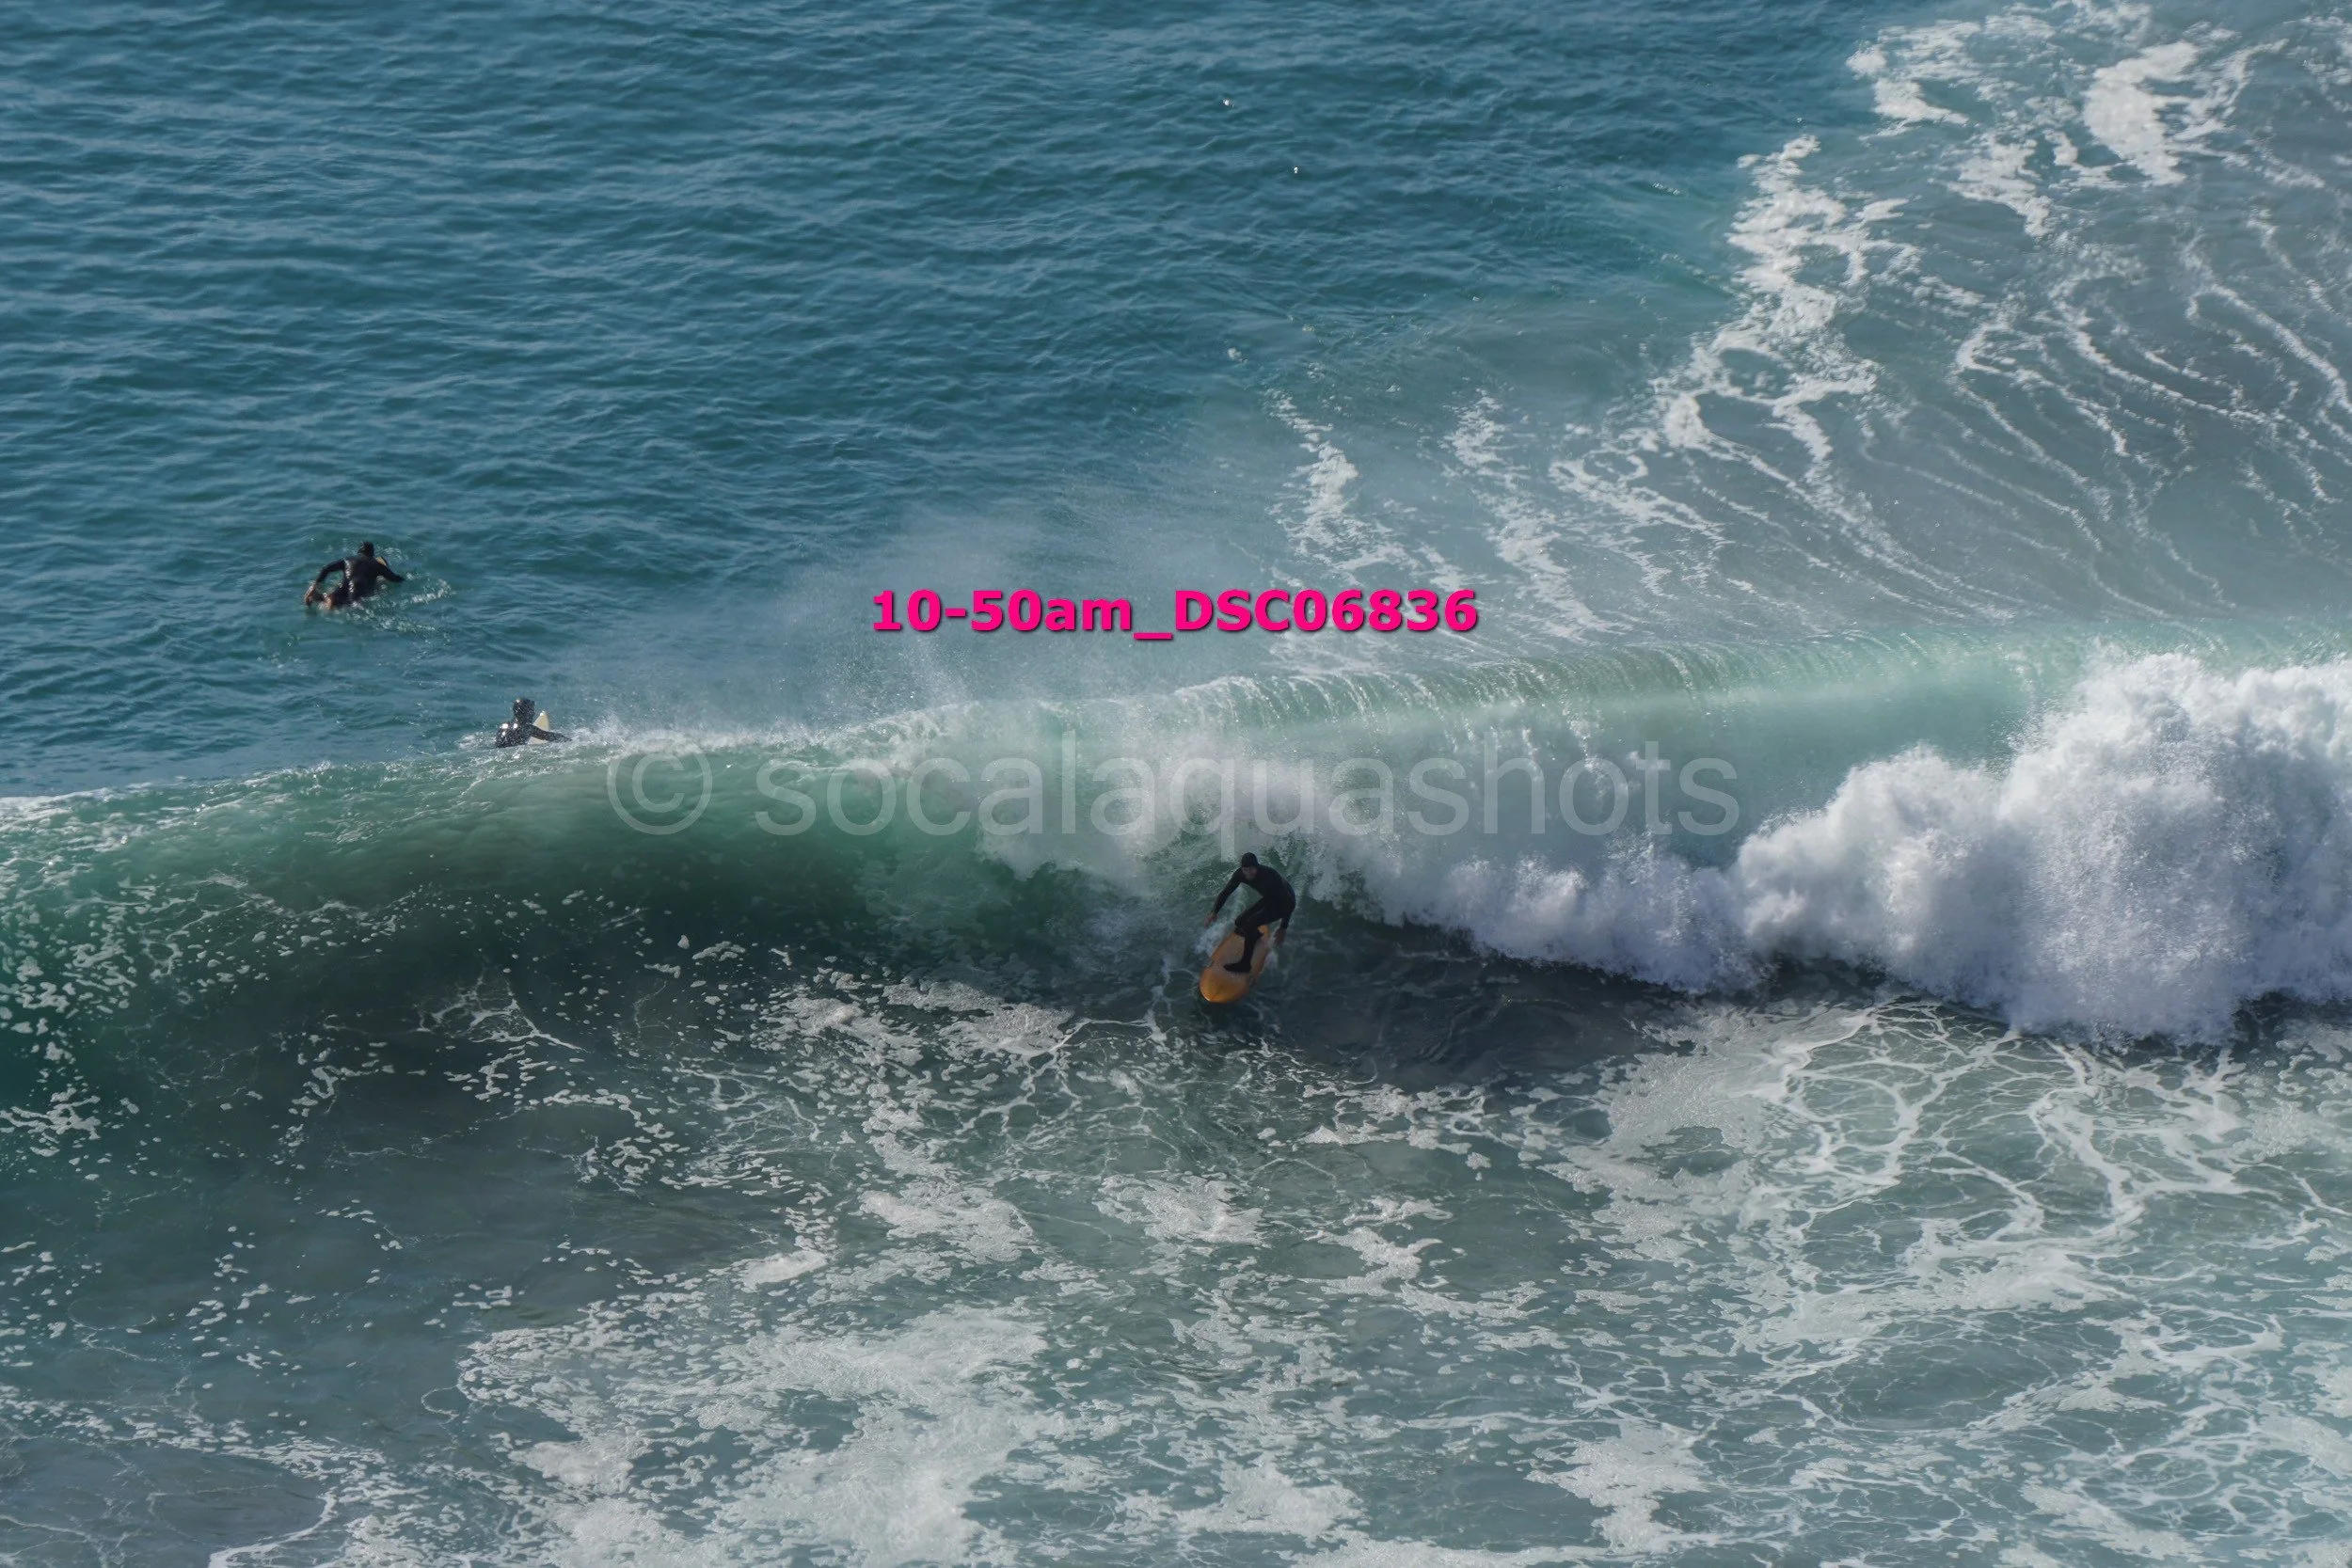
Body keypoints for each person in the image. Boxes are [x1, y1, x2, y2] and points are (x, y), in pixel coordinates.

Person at [1204, 852, 1295, 973]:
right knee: (1240, 922)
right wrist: (1214, 911)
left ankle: (1245, 965)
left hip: (1284, 903)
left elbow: (1288, 901)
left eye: (1251, 870)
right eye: (1245, 870)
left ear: (1257, 867)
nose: (1248, 873)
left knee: (1249, 925)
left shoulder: (1270, 875)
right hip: (1269, 898)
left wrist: (1283, 927)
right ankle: (1255, 935)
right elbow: (1226, 892)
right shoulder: (1240, 874)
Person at [304, 542, 405, 609]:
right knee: (350, 605)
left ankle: (323, 596)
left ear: (359, 552)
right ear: (372, 554)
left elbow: (326, 569)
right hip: (358, 589)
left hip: (343, 586)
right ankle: (330, 602)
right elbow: (394, 579)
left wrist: (316, 584)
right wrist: (404, 578)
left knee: (336, 596)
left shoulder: (348, 560)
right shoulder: (377, 565)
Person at [494, 697, 568, 748]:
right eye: (531, 711)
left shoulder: (504, 726)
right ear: (525, 712)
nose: (533, 714)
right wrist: (571, 741)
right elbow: (549, 736)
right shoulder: (526, 727)